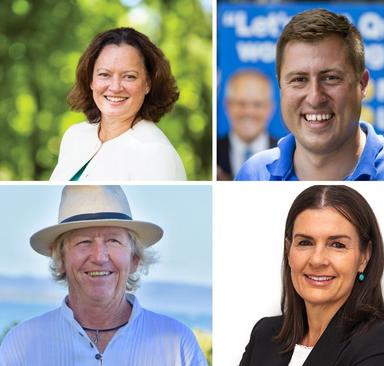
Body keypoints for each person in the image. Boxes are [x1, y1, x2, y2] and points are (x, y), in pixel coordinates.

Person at [0, 185, 207, 365]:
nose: (99, 257)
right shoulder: (21, 345)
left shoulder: (178, 343)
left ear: (134, 258)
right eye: (84, 242)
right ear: (60, 259)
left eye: (113, 241)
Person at [235, 9, 384, 181]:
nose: (314, 97)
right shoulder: (253, 174)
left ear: (362, 84)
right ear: (280, 85)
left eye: (330, 78)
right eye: (299, 79)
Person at [239, 185, 384, 365]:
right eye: (305, 242)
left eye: (337, 245)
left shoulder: (383, 342)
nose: (317, 260)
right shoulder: (264, 334)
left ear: (364, 257)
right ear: (289, 251)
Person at [50, 27, 186, 181]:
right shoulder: (74, 137)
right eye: (104, 74)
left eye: (129, 76)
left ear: (147, 83)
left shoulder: (157, 154)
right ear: (91, 80)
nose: (115, 87)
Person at [218, 69, 277, 180]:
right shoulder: (215, 153)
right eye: (241, 104)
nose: (249, 112)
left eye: (257, 104)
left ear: (270, 108)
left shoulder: (287, 155)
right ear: (227, 105)